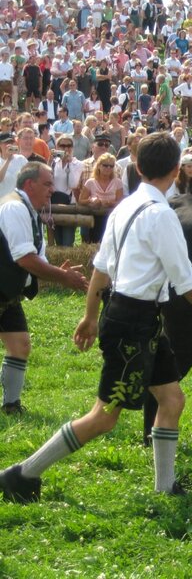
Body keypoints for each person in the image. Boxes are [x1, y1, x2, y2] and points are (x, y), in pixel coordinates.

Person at [0, 133, 192, 503]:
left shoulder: (125, 207)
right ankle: (22, 472)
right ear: (176, 171)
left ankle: (165, 488)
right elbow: (186, 280)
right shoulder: (160, 215)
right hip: (133, 323)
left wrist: (91, 316)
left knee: (171, 400)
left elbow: (101, 268)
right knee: (104, 416)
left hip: (134, 317)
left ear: (137, 167)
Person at [0, 162, 89, 415]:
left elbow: (33, 255)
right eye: (48, 184)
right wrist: (63, 277)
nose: (53, 189)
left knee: (20, 346)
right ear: (29, 184)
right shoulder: (15, 208)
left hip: (7, 292)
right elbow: (25, 259)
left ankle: (11, 406)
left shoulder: (27, 208)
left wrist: (56, 270)